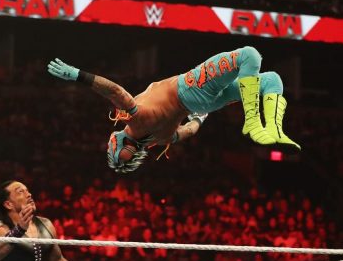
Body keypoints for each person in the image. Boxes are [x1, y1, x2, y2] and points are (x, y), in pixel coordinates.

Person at [47, 46, 300, 173]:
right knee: (250, 56)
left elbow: (189, 131)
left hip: (203, 104)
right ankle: (253, 120)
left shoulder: (161, 138)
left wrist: (201, 116)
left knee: (272, 80)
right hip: (191, 87)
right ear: (119, 145)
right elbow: (116, 92)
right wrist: (78, 75)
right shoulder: (137, 122)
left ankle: (272, 126)